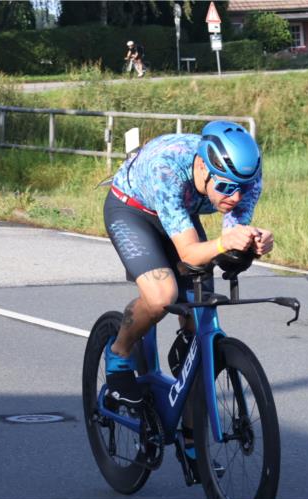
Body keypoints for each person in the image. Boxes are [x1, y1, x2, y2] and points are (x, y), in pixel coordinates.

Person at [103, 121, 273, 406]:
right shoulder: (168, 168)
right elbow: (190, 253)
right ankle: (119, 353)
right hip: (132, 210)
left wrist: (255, 243)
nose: (236, 197)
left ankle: (193, 444)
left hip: (180, 211)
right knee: (161, 296)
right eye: (227, 187)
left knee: (202, 305)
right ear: (204, 169)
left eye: (242, 188)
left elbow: (231, 239)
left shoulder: (246, 178)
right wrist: (225, 243)